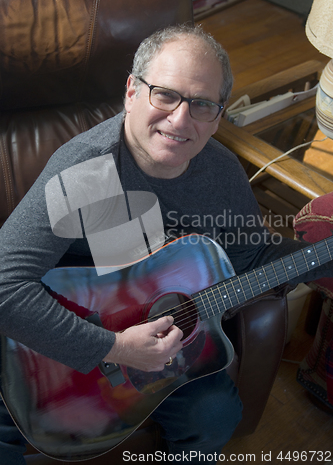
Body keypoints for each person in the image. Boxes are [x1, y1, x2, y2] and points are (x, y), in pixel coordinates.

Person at [0, 25, 332, 465]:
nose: (180, 119)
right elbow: (5, 287)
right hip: (60, 346)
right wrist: (114, 348)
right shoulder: (86, 171)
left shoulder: (222, 173)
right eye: (165, 94)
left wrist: (321, 254)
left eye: (201, 104)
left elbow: (253, 259)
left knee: (215, 415)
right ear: (132, 92)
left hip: (170, 346)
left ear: (218, 116)